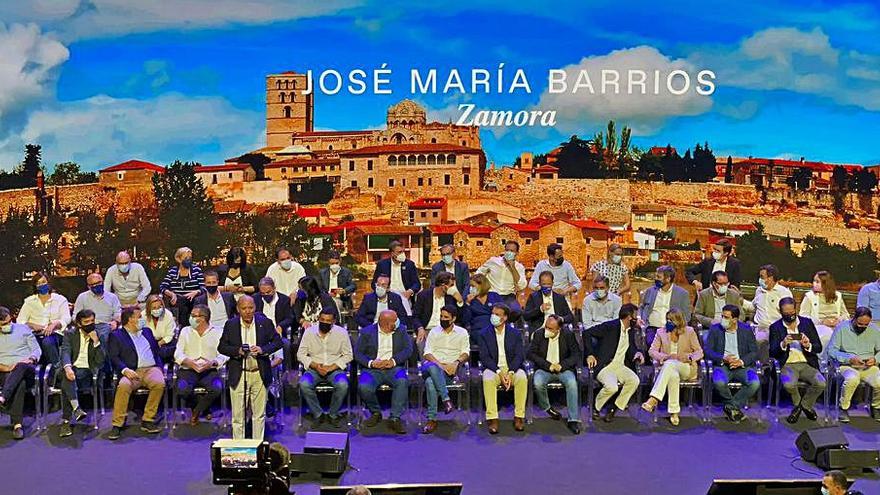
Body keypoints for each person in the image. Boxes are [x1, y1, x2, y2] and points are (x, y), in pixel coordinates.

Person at [218, 295, 283, 439]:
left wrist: (263, 349)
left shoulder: (265, 323)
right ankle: (238, 448)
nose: (248, 311)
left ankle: (257, 446)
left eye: (250, 308)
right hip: (239, 373)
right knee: (238, 416)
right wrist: (238, 351)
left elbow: (278, 342)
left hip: (259, 373)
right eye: (244, 308)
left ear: (255, 307)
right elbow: (222, 347)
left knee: (259, 415)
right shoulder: (231, 325)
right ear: (238, 309)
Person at [107, 306, 166, 440]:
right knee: (123, 386)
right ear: (130, 320)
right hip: (131, 371)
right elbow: (114, 357)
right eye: (139, 317)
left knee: (159, 383)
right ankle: (117, 424)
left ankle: (148, 419)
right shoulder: (116, 335)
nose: (142, 319)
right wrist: (125, 370)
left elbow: (156, 351)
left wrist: (160, 367)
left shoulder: (147, 332)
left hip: (151, 368)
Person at [583, 304, 645, 422]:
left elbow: (631, 347)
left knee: (634, 381)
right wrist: (590, 354)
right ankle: (596, 407)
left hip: (620, 366)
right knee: (612, 387)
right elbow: (587, 333)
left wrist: (637, 353)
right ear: (628, 317)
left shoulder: (630, 331)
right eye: (635, 316)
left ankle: (614, 407)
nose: (636, 319)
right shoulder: (610, 326)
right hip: (606, 365)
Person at [642, 308, 704, 426]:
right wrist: (666, 357)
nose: (668, 322)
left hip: (687, 368)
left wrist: (688, 357)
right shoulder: (661, 332)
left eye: (671, 320)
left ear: (679, 321)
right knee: (672, 374)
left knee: (670, 365)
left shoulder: (689, 331)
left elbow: (699, 352)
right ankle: (674, 412)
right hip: (669, 368)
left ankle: (653, 399)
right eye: (667, 320)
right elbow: (652, 351)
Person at [354, 310, 413, 434]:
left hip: (394, 368)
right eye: (394, 321)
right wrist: (371, 363)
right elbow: (357, 353)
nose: (398, 322)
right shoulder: (367, 332)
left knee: (402, 381)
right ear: (386, 323)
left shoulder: (401, 330)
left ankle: (395, 418)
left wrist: (394, 361)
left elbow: (408, 349)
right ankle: (376, 412)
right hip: (372, 369)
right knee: (364, 386)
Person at [769, 297, 825, 424]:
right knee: (789, 384)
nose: (790, 315)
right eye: (786, 313)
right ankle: (802, 406)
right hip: (787, 364)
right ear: (781, 312)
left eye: (792, 312)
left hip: (807, 363)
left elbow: (818, 347)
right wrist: (783, 344)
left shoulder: (807, 323)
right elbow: (772, 352)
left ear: (796, 309)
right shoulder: (775, 327)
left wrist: (808, 345)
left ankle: (802, 406)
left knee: (821, 383)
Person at [296, 308, 353, 427]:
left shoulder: (341, 333)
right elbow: (300, 354)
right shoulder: (309, 332)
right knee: (304, 384)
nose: (324, 322)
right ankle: (318, 414)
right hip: (314, 369)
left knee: (343, 385)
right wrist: (315, 366)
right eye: (322, 320)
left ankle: (333, 414)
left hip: (335, 370)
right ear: (318, 319)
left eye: (328, 321)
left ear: (333, 321)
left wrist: (332, 367)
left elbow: (348, 355)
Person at [527, 314, 582, 434]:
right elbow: (531, 354)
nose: (547, 330)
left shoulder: (568, 335)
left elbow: (576, 355)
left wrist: (562, 365)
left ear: (559, 329)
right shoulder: (539, 334)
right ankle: (547, 408)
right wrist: (548, 365)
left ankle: (573, 420)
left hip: (563, 369)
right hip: (544, 369)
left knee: (572, 383)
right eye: (546, 327)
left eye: (550, 328)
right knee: (537, 382)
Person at [477, 304, 527, 433]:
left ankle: (519, 416)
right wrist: (499, 372)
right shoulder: (484, 333)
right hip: (493, 368)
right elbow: (485, 357)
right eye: (493, 313)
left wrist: (510, 372)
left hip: (511, 368)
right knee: (487, 379)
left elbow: (519, 355)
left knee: (522, 378)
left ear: (505, 318)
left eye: (497, 314)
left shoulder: (515, 333)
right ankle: (492, 418)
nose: (493, 316)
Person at [174, 304, 227, 426]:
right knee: (182, 389)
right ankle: (202, 408)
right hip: (188, 369)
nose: (191, 318)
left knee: (217, 388)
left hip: (209, 370)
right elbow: (178, 353)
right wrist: (189, 362)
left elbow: (224, 354)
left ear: (203, 318)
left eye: (194, 316)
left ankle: (197, 411)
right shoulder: (185, 331)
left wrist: (212, 363)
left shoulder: (218, 332)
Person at [706, 305, 760, 423]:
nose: (723, 319)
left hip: (742, 365)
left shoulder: (746, 329)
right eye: (722, 316)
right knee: (719, 382)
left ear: (735, 319)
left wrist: (741, 361)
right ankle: (733, 408)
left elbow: (754, 351)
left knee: (755, 383)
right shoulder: (715, 329)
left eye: (726, 317)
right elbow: (708, 351)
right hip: (722, 365)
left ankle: (730, 407)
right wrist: (723, 358)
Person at [421, 305, 470, 434]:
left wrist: (455, 363)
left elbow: (466, 352)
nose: (442, 319)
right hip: (433, 365)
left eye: (446, 317)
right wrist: (441, 365)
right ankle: (446, 399)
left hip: (451, 369)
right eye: (441, 316)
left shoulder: (462, 332)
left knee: (430, 383)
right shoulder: (434, 332)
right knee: (432, 367)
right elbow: (427, 353)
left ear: (453, 319)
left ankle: (431, 419)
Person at [826, 307, 880, 423]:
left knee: (879, 380)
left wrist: (875, 359)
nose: (863, 327)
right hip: (847, 365)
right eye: (860, 324)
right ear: (854, 318)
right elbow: (831, 351)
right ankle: (843, 408)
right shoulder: (842, 328)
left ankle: (876, 406)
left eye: (866, 325)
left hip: (868, 366)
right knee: (852, 379)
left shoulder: (875, 330)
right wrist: (849, 359)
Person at [57, 309, 105, 437]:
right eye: (86, 322)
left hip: (88, 372)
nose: (90, 324)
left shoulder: (99, 334)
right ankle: (76, 409)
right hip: (72, 368)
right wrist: (68, 368)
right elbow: (65, 352)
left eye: (92, 321)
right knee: (67, 376)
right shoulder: (70, 334)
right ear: (79, 323)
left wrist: (96, 342)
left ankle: (67, 421)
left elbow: (101, 361)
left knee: (66, 381)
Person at [0, 306, 41, 440]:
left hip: (27, 367)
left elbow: (36, 350)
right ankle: (17, 425)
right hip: (5, 371)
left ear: (10, 317)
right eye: (2, 325)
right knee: (20, 383)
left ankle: (3, 397)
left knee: (21, 366)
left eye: (7, 322)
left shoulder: (23, 329)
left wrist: (31, 359)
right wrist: (6, 368)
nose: (6, 326)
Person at [17, 272, 71, 366]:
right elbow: (20, 321)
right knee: (33, 344)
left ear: (48, 282)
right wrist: (32, 325)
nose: (41, 285)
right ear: (35, 286)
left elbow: (66, 318)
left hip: (55, 333)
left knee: (47, 342)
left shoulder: (60, 299)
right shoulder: (29, 301)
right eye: (38, 283)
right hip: (35, 334)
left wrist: (54, 325)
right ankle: (33, 372)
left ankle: (56, 369)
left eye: (43, 282)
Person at [638, 265, 692, 347]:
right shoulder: (650, 291)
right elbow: (641, 307)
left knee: (669, 345)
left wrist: (678, 327)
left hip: (673, 329)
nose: (656, 279)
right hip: (652, 328)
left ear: (668, 279)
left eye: (659, 277)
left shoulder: (682, 294)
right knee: (651, 343)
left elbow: (687, 316)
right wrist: (639, 318)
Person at [413, 272, 465, 346]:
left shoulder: (451, 297)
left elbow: (459, 318)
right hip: (427, 330)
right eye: (451, 285)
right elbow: (416, 316)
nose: (454, 288)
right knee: (422, 345)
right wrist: (420, 328)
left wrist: (460, 301)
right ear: (443, 286)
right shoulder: (423, 295)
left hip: (446, 330)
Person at [371, 240, 421, 317]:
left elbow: (417, 284)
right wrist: (382, 292)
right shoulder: (382, 264)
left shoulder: (409, 264)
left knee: (407, 317)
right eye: (399, 252)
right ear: (392, 253)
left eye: (403, 252)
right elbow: (374, 284)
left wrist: (410, 291)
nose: (402, 254)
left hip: (405, 296)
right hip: (387, 296)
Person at [800, 271, 850, 346]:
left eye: (817, 282)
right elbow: (803, 317)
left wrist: (839, 320)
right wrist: (822, 321)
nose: (814, 284)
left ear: (826, 284)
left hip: (837, 327)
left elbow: (845, 314)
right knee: (827, 337)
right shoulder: (809, 297)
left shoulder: (838, 296)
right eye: (814, 281)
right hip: (818, 327)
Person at [159, 246, 205, 327]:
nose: (189, 260)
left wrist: (196, 292)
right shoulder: (173, 271)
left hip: (194, 301)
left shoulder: (196, 270)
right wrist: (172, 294)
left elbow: (204, 287)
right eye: (186, 258)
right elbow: (163, 287)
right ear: (179, 259)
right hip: (178, 302)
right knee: (181, 306)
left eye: (190, 258)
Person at [73, 272, 122, 344]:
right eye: (93, 284)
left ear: (103, 282)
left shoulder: (112, 297)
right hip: (89, 325)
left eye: (99, 283)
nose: (96, 285)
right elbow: (75, 316)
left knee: (104, 333)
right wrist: (83, 324)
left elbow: (118, 313)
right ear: (89, 287)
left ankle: (101, 353)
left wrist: (115, 322)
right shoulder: (82, 297)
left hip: (107, 325)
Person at [476, 240, 526, 309]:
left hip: (508, 295)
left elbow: (521, 286)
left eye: (512, 251)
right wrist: (482, 288)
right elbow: (479, 273)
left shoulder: (519, 267)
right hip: (492, 293)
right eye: (507, 250)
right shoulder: (493, 261)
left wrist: (513, 268)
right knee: (490, 309)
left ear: (517, 253)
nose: (509, 253)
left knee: (516, 311)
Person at [751, 264, 793, 339]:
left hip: (777, 332)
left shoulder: (784, 292)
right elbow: (753, 307)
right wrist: (740, 300)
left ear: (771, 278)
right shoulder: (759, 290)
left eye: (762, 277)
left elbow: (789, 315)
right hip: (759, 331)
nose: (760, 279)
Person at [318, 250, 357, 315]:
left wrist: (344, 290)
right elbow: (319, 288)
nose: (334, 265)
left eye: (336, 263)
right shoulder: (322, 273)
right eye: (332, 264)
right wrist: (327, 294)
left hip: (341, 299)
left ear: (340, 261)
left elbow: (353, 285)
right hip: (326, 300)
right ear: (328, 262)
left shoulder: (346, 272)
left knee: (336, 305)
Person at [144, 294, 178, 363]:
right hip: (149, 343)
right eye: (154, 308)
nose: (157, 310)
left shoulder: (168, 315)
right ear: (148, 308)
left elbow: (169, 335)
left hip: (165, 342)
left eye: (159, 307)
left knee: (165, 351)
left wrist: (158, 344)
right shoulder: (143, 316)